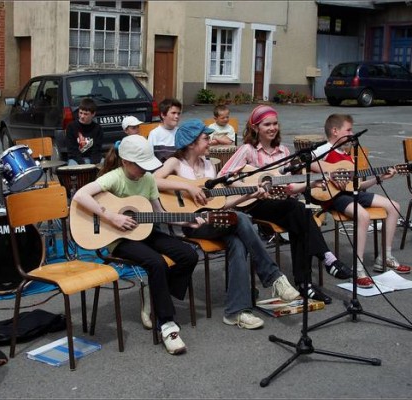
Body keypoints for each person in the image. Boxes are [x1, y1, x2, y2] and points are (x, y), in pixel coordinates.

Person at [154, 119, 300, 330]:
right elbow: (153, 181)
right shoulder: (176, 163)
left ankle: (235, 312)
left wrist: (249, 194)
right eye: (206, 138)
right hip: (189, 223)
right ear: (191, 143)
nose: (210, 142)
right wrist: (188, 188)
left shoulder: (208, 165)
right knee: (241, 219)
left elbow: (220, 203)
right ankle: (273, 277)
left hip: (216, 221)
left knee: (237, 239)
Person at [72, 135, 199, 355]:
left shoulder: (148, 179)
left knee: (188, 254)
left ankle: (159, 294)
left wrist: (186, 220)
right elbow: (80, 195)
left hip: (144, 231)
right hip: (117, 238)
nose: (144, 170)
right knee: (156, 263)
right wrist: (112, 217)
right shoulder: (115, 177)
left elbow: (159, 214)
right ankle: (167, 325)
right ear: (126, 162)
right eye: (140, 165)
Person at [219, 105, 352, 304]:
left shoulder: (284, 151)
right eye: (267, 124)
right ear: (255, 127)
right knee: (298, 210)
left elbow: (288, 187)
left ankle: (305, 283)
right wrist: (251, 187)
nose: (272, 128)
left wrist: (311, 183)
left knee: (299, 218)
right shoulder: (247, 150)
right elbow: (223, 176)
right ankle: (325, 260)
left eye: (275, 124)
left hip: (281, 204)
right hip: (254, 203)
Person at [311, 113, 411, 288]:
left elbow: (356, 185)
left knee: (394, 206)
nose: (352, 133)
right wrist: (330, 174)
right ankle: (358, 267)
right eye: (348, 129)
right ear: (335, 131)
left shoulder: (347, 155)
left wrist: (379, 178)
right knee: (363, 216)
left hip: (351, 193)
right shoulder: (325, 149)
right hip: (334, 196)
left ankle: (384, 257)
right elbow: (305, 162)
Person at [66, 97, 103, 165]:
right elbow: (72, 150)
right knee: (73, 166)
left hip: (92, 158)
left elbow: (97, 150)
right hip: (76, 159)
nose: (82, 116)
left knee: (104, 163)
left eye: (86, 114)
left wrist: (93, 164)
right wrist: (82, 163)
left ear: (93, 114)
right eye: (80, 113)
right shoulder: (71, 127)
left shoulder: (98, 128)